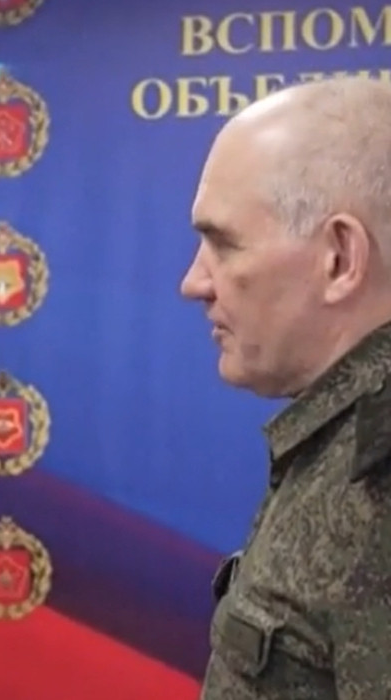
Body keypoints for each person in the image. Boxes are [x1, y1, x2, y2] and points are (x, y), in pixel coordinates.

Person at [181, 75, 391, 699]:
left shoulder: (377, 480)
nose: (194, 283)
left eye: (223, 244)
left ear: (339, 258)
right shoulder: (344, 443)